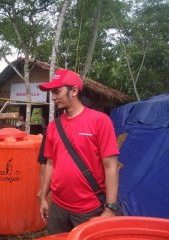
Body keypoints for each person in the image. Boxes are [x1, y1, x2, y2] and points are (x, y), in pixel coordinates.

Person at [38, 69, 119, 234]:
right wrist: (43, 197)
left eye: (56, 91)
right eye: (51, 93)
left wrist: (110, 208)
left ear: (74, 91)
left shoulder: (100, 121)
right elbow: (50, 164)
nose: (53, 97)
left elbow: (111, 166)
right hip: (58, 207)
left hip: (88, 208)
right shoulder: (53, 127)